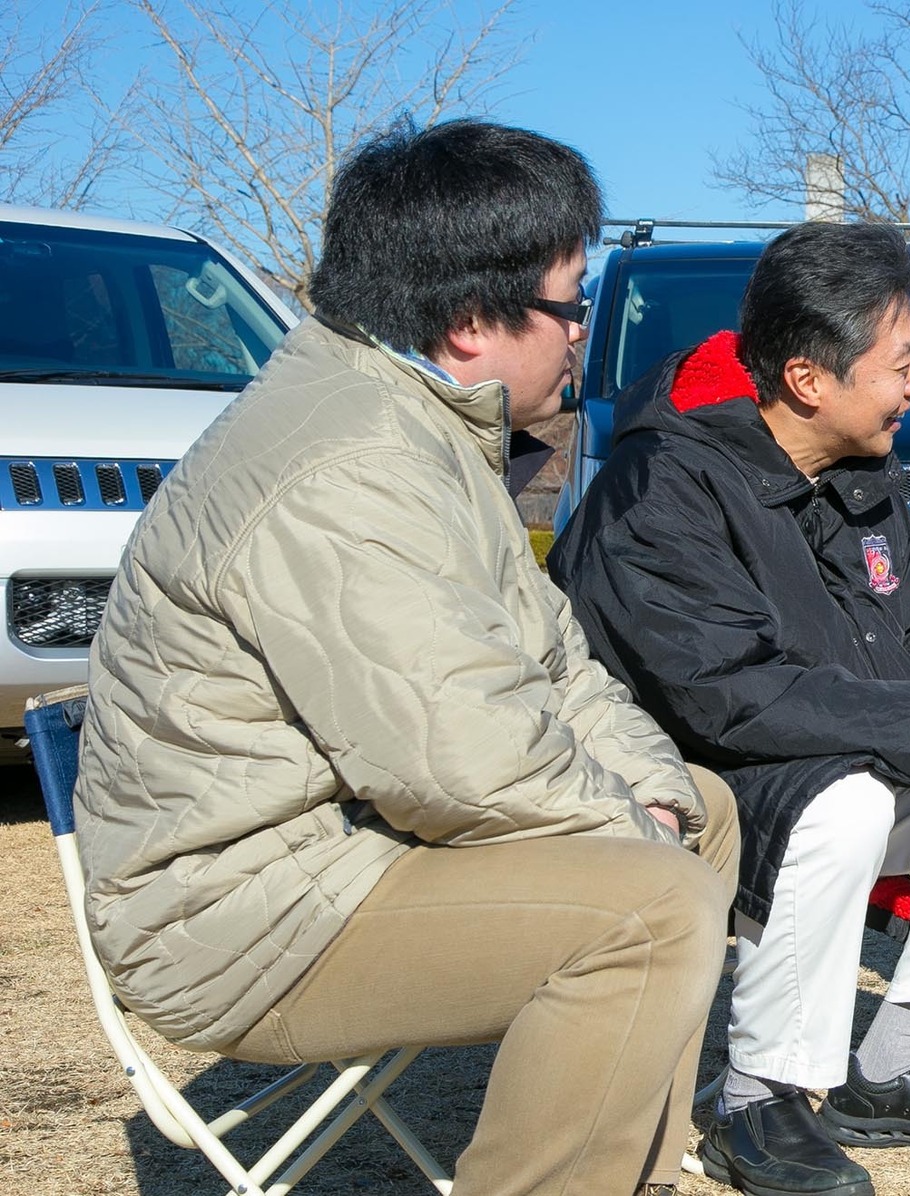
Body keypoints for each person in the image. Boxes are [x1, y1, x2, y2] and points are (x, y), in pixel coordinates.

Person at [72, 119, 738, 1195]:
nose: (582, 333)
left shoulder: (422, 430)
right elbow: (455, 756)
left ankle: (632, 1171)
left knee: (701, 810)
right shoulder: (349, 467)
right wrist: (630, 825)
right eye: (572, 303)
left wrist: (653, 794)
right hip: (243, 911)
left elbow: (558, 666)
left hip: (345, 846)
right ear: (473, 321)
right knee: (651, 904)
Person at [550, 220, 910, 1196]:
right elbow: (727, 694)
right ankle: (756, 1096)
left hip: (813, 746)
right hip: (679, 781)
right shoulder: (661, 485)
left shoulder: (856, 460)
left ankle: (892, 1062)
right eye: (903, 363)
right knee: (852, 800)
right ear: (808, 379)